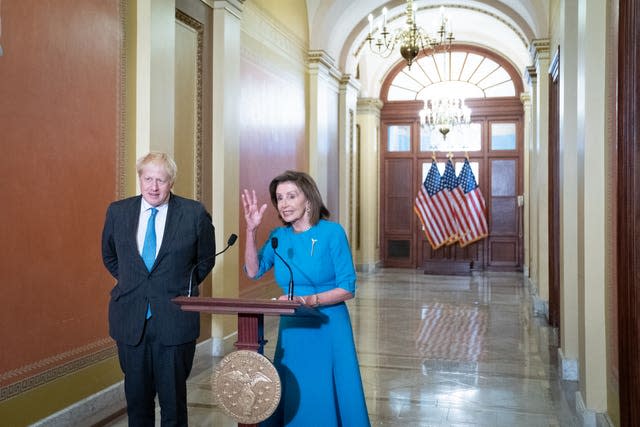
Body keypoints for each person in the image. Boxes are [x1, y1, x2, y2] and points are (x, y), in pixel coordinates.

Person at [241, 170, 370, 427]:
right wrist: (251, 231)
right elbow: (254, 271)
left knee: (324, 391)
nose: (284, 204)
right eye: (279, 198)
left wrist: (308, 300)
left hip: (328, 324)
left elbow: (347, 288)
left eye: (291, 196)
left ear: (308, 199)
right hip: (293, 328)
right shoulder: (279, 237)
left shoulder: (332, 233)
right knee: (295, 389)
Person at [101, 152, 216, 426]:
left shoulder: (193, 213)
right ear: (140, 178)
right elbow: (110, 256)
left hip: (175, 319)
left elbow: (205, 260)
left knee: (173, 404)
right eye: (148, 179)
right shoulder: (118, 212)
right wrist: (135, 282)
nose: (154, 187)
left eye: (161, 180)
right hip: (130, 319)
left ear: (172, 182)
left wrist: (177, 285)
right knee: (137, 402)